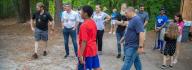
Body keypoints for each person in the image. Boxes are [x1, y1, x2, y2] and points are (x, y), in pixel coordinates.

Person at [78, 5, 101, 70]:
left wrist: (81, 55)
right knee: (97, 67)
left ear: (85, 14)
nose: (80, 12)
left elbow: (84, 41)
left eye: (81, 11)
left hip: (87, 51)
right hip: (93, 49)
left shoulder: (84, 25)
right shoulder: (93, 22)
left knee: (84, 67)